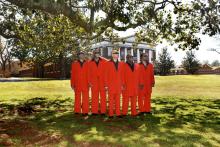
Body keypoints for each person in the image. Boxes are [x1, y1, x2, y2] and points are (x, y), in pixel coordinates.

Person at [88, 48, 108, 115]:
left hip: (102, 82)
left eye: (98, 52)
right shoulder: (90, 62)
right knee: (94, 97)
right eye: (96, 52)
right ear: (94, 54)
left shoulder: (104, 61)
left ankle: (103, 111)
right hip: (94, 83)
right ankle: (94, 111)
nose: (97, 54)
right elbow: (88, 74)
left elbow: (110, 61)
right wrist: (89, 82)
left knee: (103, 97)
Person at [105, 50, 124, 117]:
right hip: (111, 85)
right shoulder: (107, 63)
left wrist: (122, 84)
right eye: (114, 53)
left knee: (118, 99)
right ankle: (110, 114)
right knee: (111, 100)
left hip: (118, 85)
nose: (116, 54)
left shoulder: (121, 63)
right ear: (112, 54)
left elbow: (122, 75)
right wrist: (106, 85)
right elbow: (106, 75)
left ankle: (118, 113)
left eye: (117, 53)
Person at [71, 51, 89, 115]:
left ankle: (85, 111)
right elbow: (72, 74)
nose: (81, 56)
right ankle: (77, 110)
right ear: (78, 56)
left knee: (85, 98)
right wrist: (72, 84)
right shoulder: (74, 64)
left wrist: (89, 82)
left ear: (84, 56)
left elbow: (89, 74)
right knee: (77, 97)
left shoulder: (87, 63)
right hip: (77, 83)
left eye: (82, 55)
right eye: (80, 55)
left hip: (85, 83)